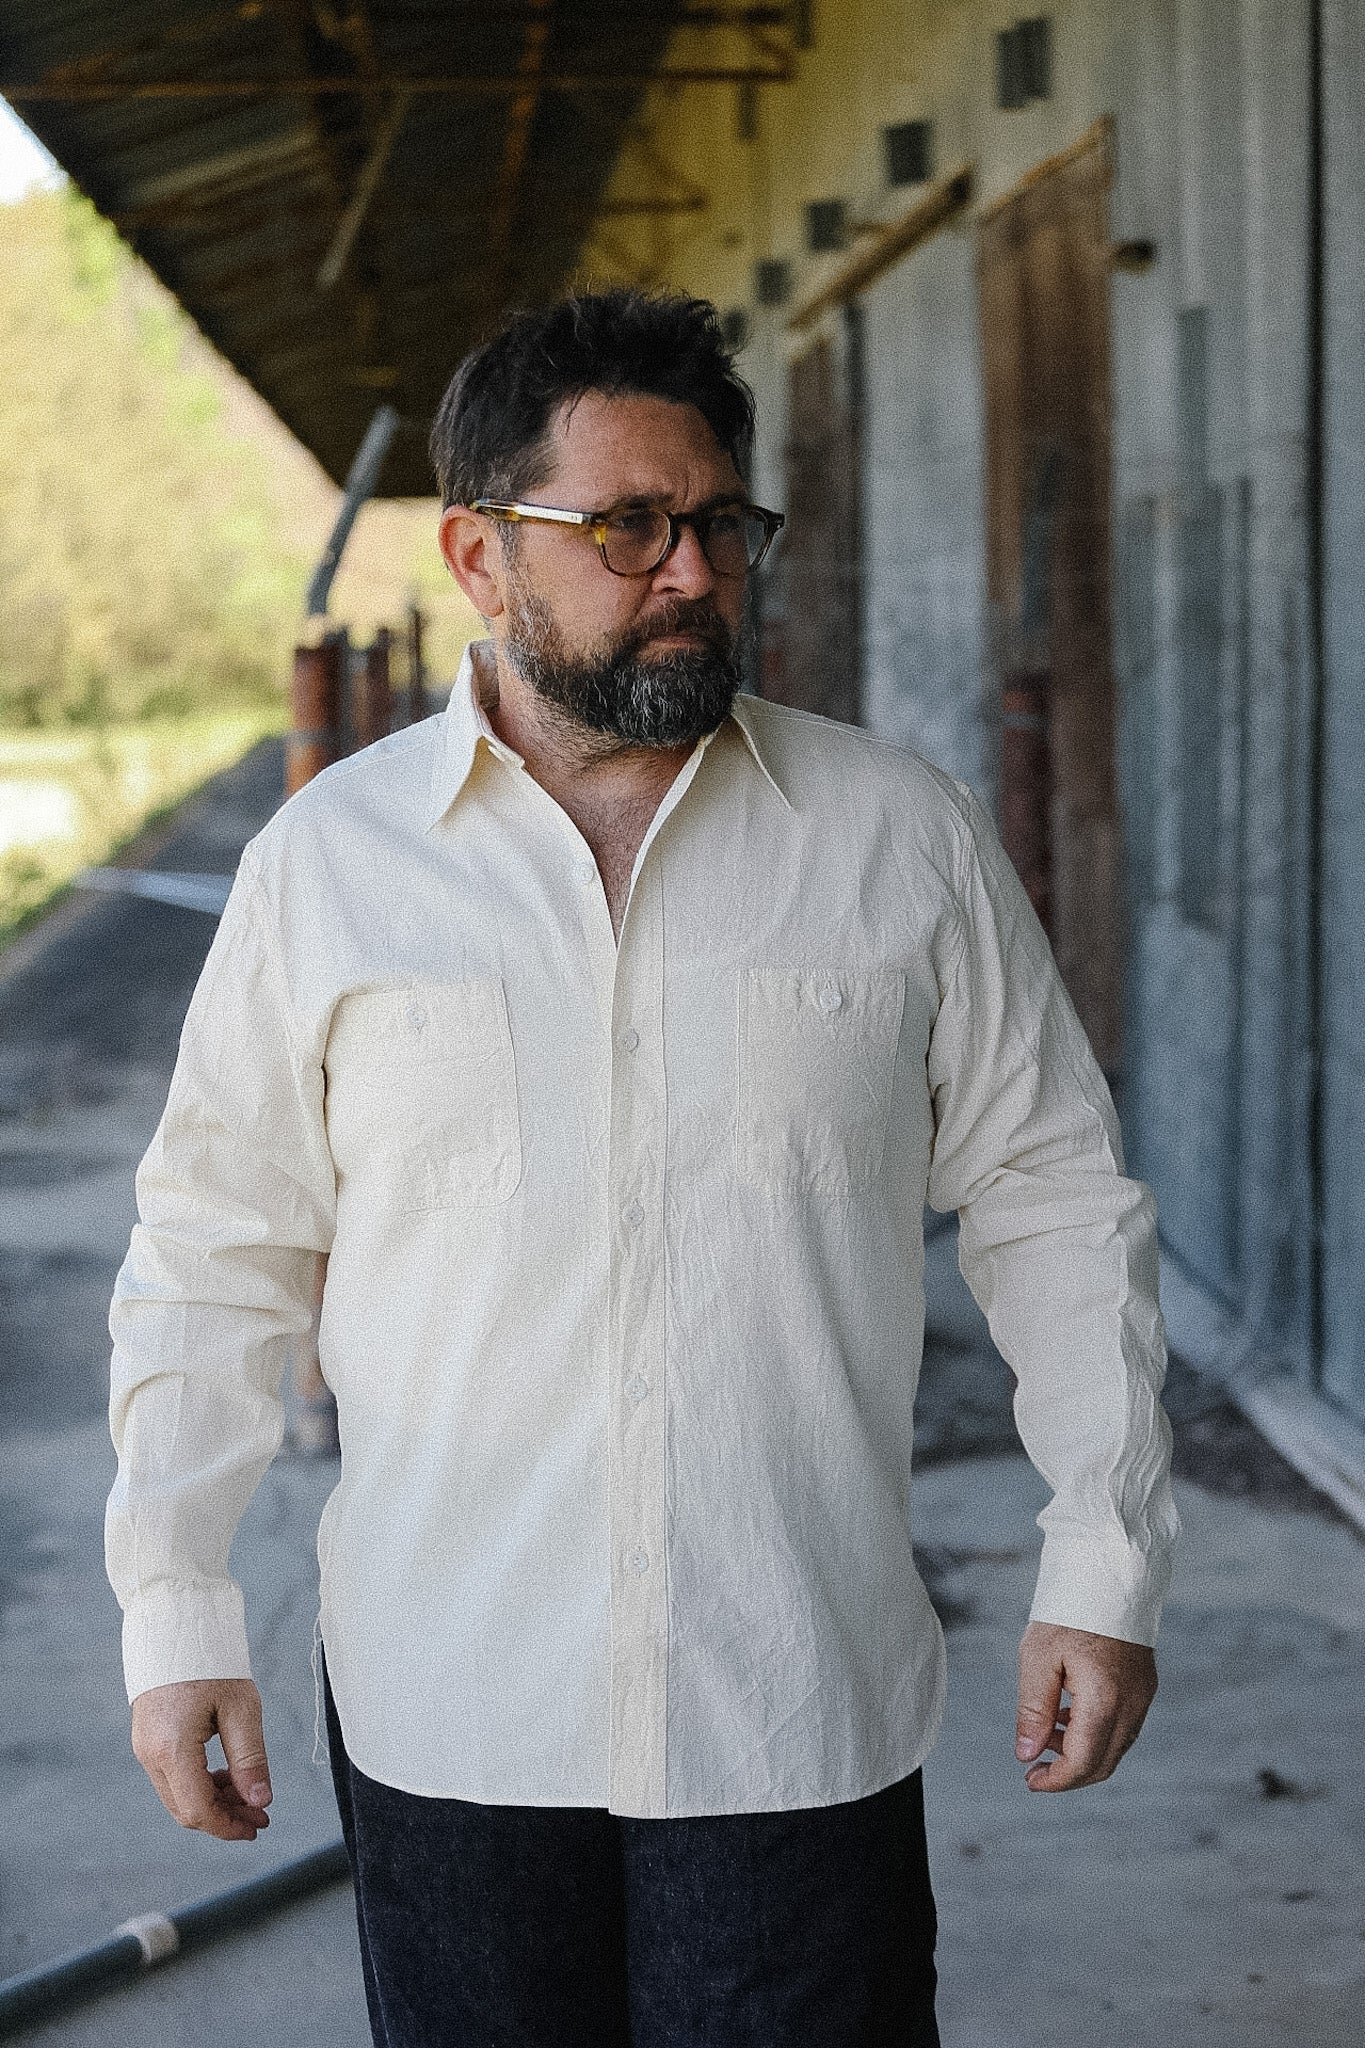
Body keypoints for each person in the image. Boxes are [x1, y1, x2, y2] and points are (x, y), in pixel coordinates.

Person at [107, 289, 1178, 2048]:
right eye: (626, 527)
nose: (691, 571)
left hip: (793, 1689)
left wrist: (1103, 1559)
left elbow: (1053, 1197)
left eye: (718, 524)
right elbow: (214, 1251)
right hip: (448, 1708)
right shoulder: (331, 867)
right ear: (477, 552)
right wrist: (178, 1609)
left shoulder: (893, 837)